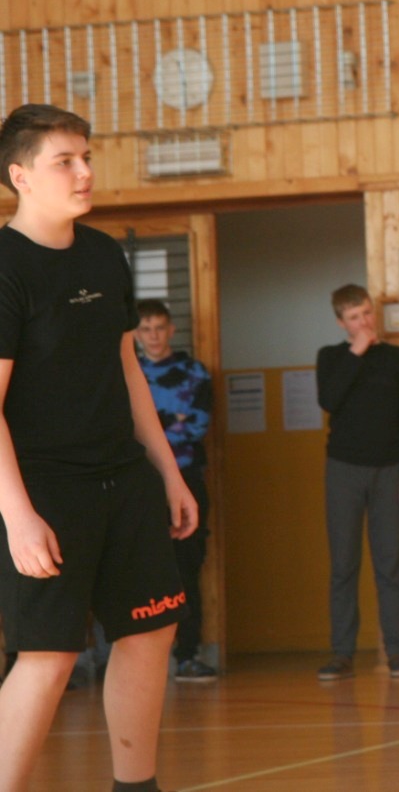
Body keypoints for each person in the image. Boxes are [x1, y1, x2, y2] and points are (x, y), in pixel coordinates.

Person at [0, 103, 200, 792]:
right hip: (44, 491)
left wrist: (168, 473)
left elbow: (127, 370)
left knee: (150, 633)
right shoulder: (5, 266)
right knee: (49, 656)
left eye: (86, 157)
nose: (85, 172)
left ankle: (136, 786)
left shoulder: (104, 254)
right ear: (21, 176)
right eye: (65, 161)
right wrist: (17, 516)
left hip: (124, 479)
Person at [314, 285, 399, 681]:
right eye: (354, 317)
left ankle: (396, 649)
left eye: (366, 313)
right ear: (341, 323)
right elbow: (329, 400)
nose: (363, 322)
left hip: (390, 469)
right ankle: (342, 652)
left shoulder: (396, 358)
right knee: (344, 563)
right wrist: (356, 352)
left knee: (389, 563)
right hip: (343, 469)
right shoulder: (331, 358)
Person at [135, 299, 217, 683]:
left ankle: (188, 655)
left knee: (187, 569)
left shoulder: (194, 372)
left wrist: (152, 427)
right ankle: (135, 663)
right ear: (136, 334)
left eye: (159, 327)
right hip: (138, 486)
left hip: (186, 481)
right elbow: (125, 434)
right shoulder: (127, 374)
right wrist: (171, 421)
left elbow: (195, 426)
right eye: (145, 328)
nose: (153, 336)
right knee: (135, 572)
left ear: (171, 330)